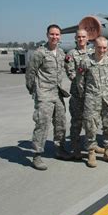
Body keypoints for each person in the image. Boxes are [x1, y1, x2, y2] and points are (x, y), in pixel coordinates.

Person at [25, 24, 72, 170]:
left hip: (58, 93)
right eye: (52, 34)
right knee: (42, 124)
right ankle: (37, 155)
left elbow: (68, 68)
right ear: (47, 35)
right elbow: (30, 74)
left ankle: (59, 149)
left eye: (57, 35)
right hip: (44, 94)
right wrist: (35, 92)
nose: (55, 37)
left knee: (60, 123)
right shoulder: (40, 53)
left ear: (60, 37)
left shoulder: (61, 53)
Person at [77, 37, 108, 168]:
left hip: (107, 99)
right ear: (94, 47)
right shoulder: (86, 62)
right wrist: (87, 96)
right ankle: (91, 152)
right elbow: (80, 82)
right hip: (91, 99)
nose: (102, 50)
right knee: (90, 126)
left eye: (105, 48)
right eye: (99, 47)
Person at [64, 29, 97, 160]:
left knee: (92, 122)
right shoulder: (71, 54)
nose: (81, 39)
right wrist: (83, 81)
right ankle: (75, 147)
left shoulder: (92, 53)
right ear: (75, 38)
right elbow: (71, 74)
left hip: (91, 94)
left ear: (88, 38)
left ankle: (91, 146)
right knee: (77, 122)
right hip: (78, 94)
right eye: (79, 37)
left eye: (84, 37)